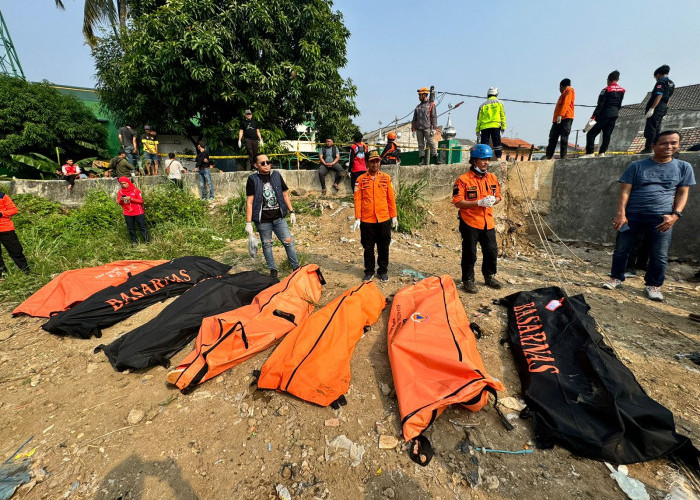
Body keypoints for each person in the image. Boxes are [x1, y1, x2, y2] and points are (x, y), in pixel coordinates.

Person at [602, 131, 695, 301]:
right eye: (664, 143)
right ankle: (616, 277)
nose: (668, 146)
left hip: (662, 217)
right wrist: (621, 214)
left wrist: (675, 215)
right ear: (653, 146)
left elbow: (683, 193)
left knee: (659, 253)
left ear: (678, 145)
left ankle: (653, 285)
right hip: (632, 215)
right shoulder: (636, 166)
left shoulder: (683, 167)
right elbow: (624, 192)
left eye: (673, 143)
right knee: (622, 248)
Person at [452, 144, 503, 293]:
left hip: (488, 222)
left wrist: (495, 200)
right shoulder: (463, 180)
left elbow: (499, 196)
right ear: (474, 161)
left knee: (491, 251)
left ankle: (489, 276)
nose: (486, 162)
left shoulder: (492, 178)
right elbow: (457, 202)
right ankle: (468, 280)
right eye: (483, 159)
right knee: (470, 253)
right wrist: (478, 203)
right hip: (470, 222)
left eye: (488, 159)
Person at [245, 154, 298, 279]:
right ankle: (273, 270)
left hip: (279, 218)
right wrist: (248, 222)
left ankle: (296, 268)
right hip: (263, 221)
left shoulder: (276, 176)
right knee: (267, 244)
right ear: (256, 165)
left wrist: (292, 211)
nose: (266, 165)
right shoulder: (253, 179)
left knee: (288, 242)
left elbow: (285, 195)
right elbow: (249, 202)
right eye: (262, 163)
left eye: (268, 162)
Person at [351, 150, 398, 282]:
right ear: (367, 163)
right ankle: (369, 271)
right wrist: (357, 217)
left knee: (384, 246)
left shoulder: (386, 178)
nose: (375, 164)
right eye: (372, 161)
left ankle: (382, 271)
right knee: (368, 247)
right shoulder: (360, 180)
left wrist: (394, 216)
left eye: (377, 161)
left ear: (380, 162)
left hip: (383, 218)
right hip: (367, 220)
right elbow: (357, 199)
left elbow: (391, 198)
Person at [582, 71, 625, 158]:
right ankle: (602, 153)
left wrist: (593, 117)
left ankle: (590, 153)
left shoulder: (606, 90)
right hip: (614, 114)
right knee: (607, 134)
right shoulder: (622, 90)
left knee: (591, 134)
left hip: (604, 115)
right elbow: (619, 104)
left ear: (608, 80)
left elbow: (600, 106)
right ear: (617, 79)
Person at [640, 65, 675, 154]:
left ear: (658, 74)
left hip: (657, 107)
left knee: (651, 128)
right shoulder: (671, 83)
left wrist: (652, 108)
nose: (656, 79)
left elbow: (659, 95)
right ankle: (655, 147)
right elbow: (668, 98)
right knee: (657, 128)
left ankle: (648, 148)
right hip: (663, 107)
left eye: (655, 77)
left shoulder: (661, 82)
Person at [0, 189, 30, 277]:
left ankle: (26, 272)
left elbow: (14, 210)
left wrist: (1, 214)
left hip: (6, 229)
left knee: (16, 251)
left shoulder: (3, 196)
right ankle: (2, 275)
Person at [545, 79, 575, 159]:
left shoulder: (569, 90)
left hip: (566, 117)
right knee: (553, 137)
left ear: (561, 86)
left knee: (564, 137)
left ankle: (563, 156)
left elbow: (566, 102)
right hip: (558, 119)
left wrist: (560, 115)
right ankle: (548, 155)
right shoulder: (563, 94)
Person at [117, 177, 149, 244]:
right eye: (121, 184)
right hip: (127, 213)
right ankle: (134, 242)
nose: (123, 185)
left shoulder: (136, 190)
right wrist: (121, 199)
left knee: (142, 227)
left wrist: (131, 199)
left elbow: (141, 201)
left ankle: (147, 241)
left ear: (128, 183)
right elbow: (119, 203)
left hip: (138, 212)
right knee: (131, 228)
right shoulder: (120, 192)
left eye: (124, 183)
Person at [476, 87, 506, 160]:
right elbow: (502, 115)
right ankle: (498, 157)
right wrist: (503, 127)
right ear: (496, 94)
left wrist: (477, 130)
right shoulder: (499, 103)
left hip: (484, 127)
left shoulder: (482, 105)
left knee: (484, 144)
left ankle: (484, 158)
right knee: (497, 142)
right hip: (495, 125)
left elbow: (479, 119)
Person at [411, 87, 438, 165]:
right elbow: (414, 119)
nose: (419, 97)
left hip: (427, 128)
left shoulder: (431, 105)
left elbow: (434, 116)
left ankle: (436, 158)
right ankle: (422, 160)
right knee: (420, 144)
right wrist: (413, 129)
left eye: (420, 95)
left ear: (425, 95)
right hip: (419, 128)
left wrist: (434, 128)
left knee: (431, 143)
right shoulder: (418, 107)